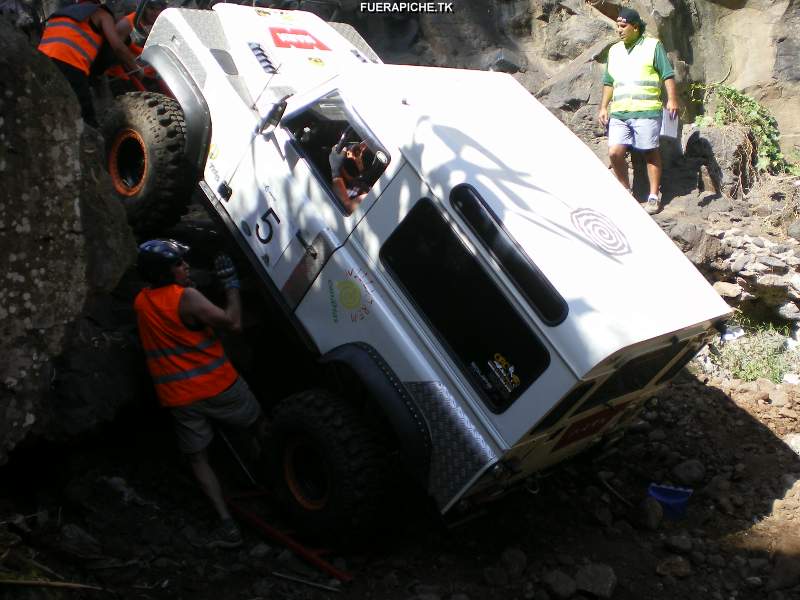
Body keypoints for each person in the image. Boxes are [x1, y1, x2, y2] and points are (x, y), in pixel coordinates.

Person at [134, 239, 265, 549]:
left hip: (179, 397)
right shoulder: (188, 298)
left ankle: (226, 524)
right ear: (165, 273)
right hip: (219, 386)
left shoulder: (141, 301)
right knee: (259, 425)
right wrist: (231, 286)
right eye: (178, 264)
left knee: (197, 458)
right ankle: (276, 481)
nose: (186, 267)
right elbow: (233, 323)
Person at [597, 7, 678, 215]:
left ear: (635, 27)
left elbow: (667, 74)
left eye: (623, 26)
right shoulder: (614, 51)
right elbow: (608, 82)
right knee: (614, 152)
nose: (619, 30)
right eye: (617, 26)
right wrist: (604, 106)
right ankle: (626, 192)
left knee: (650, 151)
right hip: (620, 112)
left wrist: (672, 99)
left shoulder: (652, 46)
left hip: (646, 110)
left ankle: (653, 196)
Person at [37, 0, 140, 127]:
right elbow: (118, 46)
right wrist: (136, 69)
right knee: (87, 121)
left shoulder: (60, 13)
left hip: (42, 64)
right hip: (71, 65)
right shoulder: (101, 13)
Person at [104, 0, 166, 86]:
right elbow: (115, 51)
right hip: (125, 78)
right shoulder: (127, 24)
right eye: (152, 8)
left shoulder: (160, 25)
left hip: (152, 78)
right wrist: (134, 67)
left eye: (160, 9)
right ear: (143, 8)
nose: (156, 13)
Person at [329, 141, 373, 215]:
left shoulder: (365, 187)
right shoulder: (350, 190)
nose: (353, 155)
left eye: (357, 153)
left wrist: (335, 172)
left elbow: (346, 207)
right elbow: (346, 207)